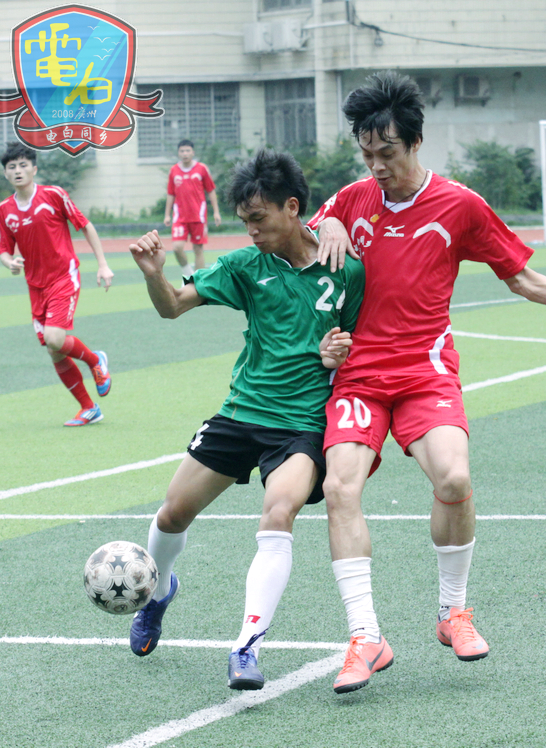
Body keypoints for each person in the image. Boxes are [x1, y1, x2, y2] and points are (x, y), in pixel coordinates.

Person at [309, 72, 546, 695]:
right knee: (339, 487)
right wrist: (326, 223)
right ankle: (365, 636)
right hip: (358, 376)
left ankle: (453, 612)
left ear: (415, 142)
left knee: (454, 479)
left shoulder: (460, 205)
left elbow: (521, 276)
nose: (376, 166)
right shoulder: (349, 198)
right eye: (366, 154)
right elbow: (303, 235)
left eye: (387, 152)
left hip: (426, 373)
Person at [128, 149, 365, 691]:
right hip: (241, 412)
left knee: (278, 512)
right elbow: (172, 306)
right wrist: (154, 274)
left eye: (259, 219)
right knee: (172, 515)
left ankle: (246, 646)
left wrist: (340, 353)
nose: (251, 231)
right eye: (244, 222)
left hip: (302, 423)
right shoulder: (244, 265)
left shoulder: (346, 269)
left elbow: (364, 343)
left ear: (292, 207)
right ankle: (158, 592)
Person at [0, 142, 114, 427]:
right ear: (6, 174)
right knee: (55, 351)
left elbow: (85, 225)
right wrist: (9, 262)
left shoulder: (53, 195)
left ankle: (95, 360)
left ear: (34, 169)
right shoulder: (4, 210)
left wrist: (102, 264)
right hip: (35, 286)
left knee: (54, 338)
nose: (18, 171)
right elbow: (4, 249)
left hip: (64, 277)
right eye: (12, 167)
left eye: (23, 165)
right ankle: (89, 408)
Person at [164, 139, 222, 276]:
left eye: (187, 150)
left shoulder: (201, 169)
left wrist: (216, 212)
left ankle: (198, 280)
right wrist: (167, 214)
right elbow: (171, 193)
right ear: (178, 153)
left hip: (198, 216)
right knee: (177, 247)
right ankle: (188, 273)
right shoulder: (174, 170)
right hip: (180, 217)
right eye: (182, 151)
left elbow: (211, 190)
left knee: (198, 249)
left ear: (193, 152)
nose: (185, 153)